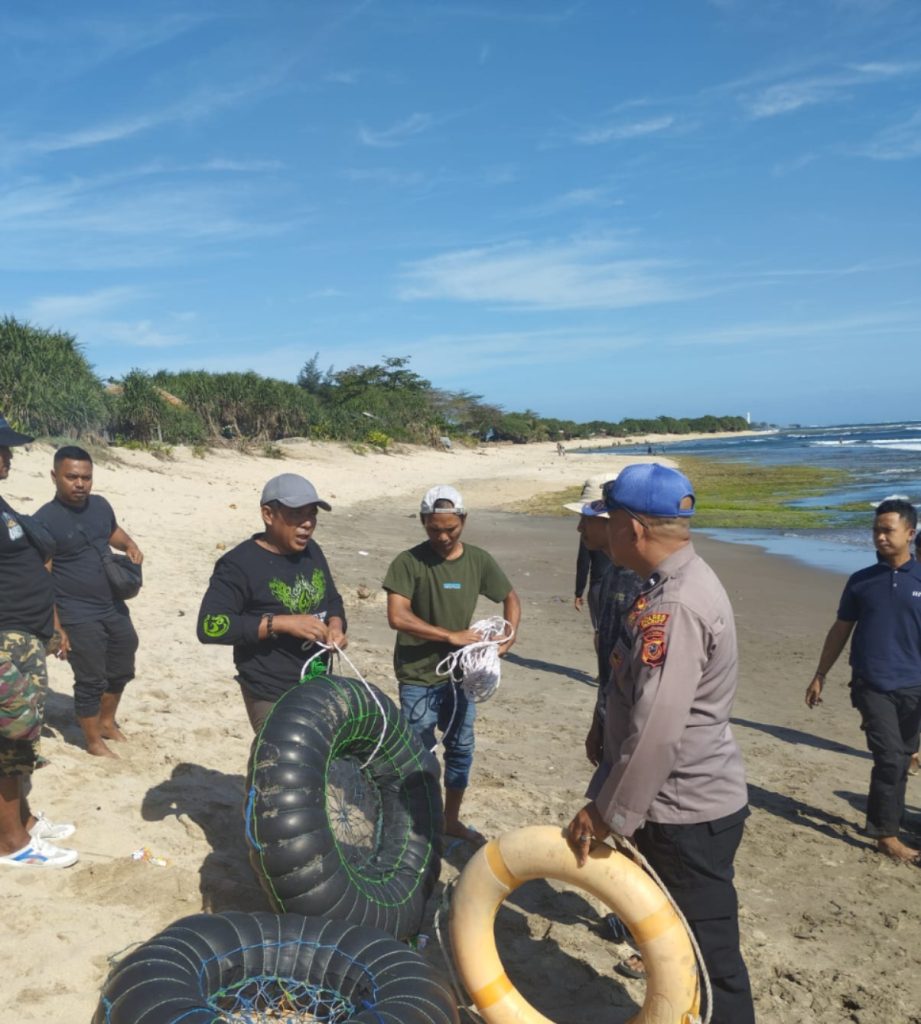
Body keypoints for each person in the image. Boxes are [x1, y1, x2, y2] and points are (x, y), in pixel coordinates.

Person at [566, 464, 754, 1024]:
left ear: (633, 528)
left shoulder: (674, 608)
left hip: (685, 814)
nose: (604, 527)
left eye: (610, 517)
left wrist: (605, 813)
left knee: (709, 959)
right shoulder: (670, 585)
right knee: (674, 948)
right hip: (674, 805)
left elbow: (657, 730)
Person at [383, 485, 521, 847]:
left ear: (463, 520)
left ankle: (451, 819)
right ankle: (419, 821)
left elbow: (509, 597)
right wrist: (449, 637)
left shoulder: (478, 560)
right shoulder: (408, 562)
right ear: (423, 522)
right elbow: (397, 616)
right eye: (434, 529)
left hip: (461, 679)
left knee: (461, 748)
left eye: (451, 529)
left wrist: (509, 637)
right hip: (417, 674)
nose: (442, 537)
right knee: (419, 751)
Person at [805, 498, 921, 863]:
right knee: (888, 757)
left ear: (910, 533)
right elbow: (840, 631)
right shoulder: (861, 582)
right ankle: (885, 835)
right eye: (876, 530)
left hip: (914, 687)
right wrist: (820, 674)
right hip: (871, 684)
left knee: (902, 758)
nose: (880, 537)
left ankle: (894, 820)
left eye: (888, 530)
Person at [197, 473, 346, 732]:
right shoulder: (238, 564)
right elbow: (209, 627)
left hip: (317, 684)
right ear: (268, 514)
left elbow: (332, 600)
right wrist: (280, 624)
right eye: (297, 514)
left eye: (312, 514)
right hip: (269, 690)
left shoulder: (313, 551)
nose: (308, 523)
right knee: (285, 761)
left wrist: (336, 625)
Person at [0, 416, 78, 867]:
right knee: (8, 739)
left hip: (24, 638)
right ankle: (11, 845)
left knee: (22, 737)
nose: (9, 455)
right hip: (4, 643)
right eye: (2, 448)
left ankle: (22, 822)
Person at [34, 446, 143, 759]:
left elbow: (112, 532)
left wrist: (130, 544)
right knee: (91, 677)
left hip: (112, 603)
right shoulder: (44, 520)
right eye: (72, 477)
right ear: (55, 476)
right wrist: (56, 627)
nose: (80, 484)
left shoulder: (100, 505)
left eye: (86, 477)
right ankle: (93, 741)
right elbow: (43, 578)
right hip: (76, 612)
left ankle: (107, 722)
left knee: (123, 660)